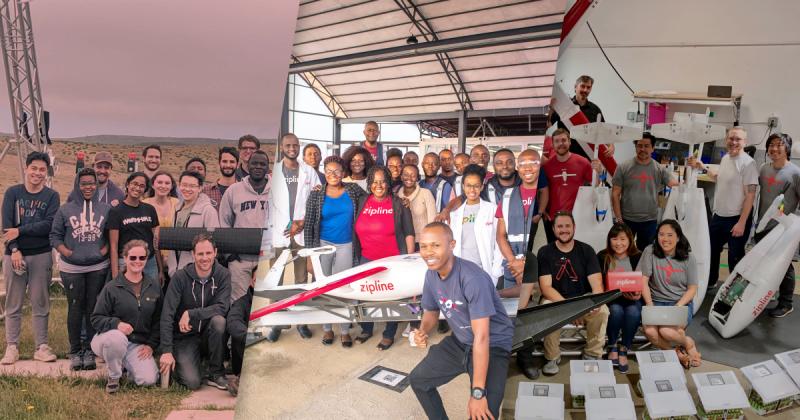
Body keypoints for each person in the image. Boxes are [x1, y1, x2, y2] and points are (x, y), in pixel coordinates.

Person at [409, 222, 514, 420]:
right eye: (423, 246)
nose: (428, 252)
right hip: (461, 341)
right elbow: (431, 311)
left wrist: (478, 393)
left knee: (483, 414)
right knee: (418, 380)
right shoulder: (431, 274)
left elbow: (482, 337)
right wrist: (423, 331)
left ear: (452, 245)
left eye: (436, 245)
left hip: (493, 344)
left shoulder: (472, 278)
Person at [1, 152, 60, 365]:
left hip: (41, 254)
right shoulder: (13, 193)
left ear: (47, 172)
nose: (37, 173)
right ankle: (12, 347)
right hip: (15, 255)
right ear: (26, 168)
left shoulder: (52, 196)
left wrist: (20, 230)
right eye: (34, 168)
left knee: (40, 301)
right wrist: (14, 248)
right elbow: (6, 226)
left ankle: (41, 346)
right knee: (13, 301)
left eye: (42, 169)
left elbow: (49, 224)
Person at [50, 168, 111, 371]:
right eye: (84, 183)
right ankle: (75, 350)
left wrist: (104, 250)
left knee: (93, 307)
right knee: (75, 307)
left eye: (91, 183)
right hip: (72, 268)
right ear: (77, 185)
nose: (88, 187)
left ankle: (90, 350)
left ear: (97, 185)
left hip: (97, 266)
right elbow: (55, 236)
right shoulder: (65, 209)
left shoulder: (105, 209)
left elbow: (111, 234)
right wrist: (67, 252)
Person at [301, 156, 366, 347]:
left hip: (347, 245)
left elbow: (372, 200)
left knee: (344, 288)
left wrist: (399, 201)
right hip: (323, 245)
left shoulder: (353, 190)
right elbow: (309, 225)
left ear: (343, 172)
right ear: (324, 172)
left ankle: (345, 330)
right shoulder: (316, 194)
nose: (333, 174)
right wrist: (310, 256)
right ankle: (327, 329)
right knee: (324, 289)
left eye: (337, 170)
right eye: (329, 171)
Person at [537, 211, 609, 375]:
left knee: (602, 310)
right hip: (556, 300)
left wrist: (591, 304)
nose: (564, 230)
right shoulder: (545, 252)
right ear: (553, 229)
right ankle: (552, 357)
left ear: (574, 227)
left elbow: (597, 284)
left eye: (567, 226)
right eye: (560, 226)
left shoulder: (587, 250)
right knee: (547, 308)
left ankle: (592, 353)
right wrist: (571, 309)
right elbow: (546, 288)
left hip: (583, 300)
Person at [688, 127, 758, 290]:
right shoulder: (726, 158)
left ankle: (736, 291)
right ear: (726, 140)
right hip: (719, 216)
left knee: (735, 256)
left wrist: (741, 223)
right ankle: (711, 281)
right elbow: (719, 177)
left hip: (737, 218)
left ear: (745, 142)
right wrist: (702, 167)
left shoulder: (748, 163)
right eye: (731, 138)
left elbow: (750, 195)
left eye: (738, 139)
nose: (733, 142)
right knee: (711, 250)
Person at [354, 166, 415, 349]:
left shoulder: (399, 204)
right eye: (374, 181)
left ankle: (389, 333)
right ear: (369, 183)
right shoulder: (362, 200)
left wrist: (408, 260)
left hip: (392, 261)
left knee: (391, 298)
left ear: (388, 183)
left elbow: (409, 232)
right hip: (366, 258)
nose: (378, 185)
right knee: (365, 296)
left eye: (382, 181)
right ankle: (366, 328)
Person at [267, 133, 321, 340]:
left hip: (301, 233)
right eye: (288, 145)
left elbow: (316, 200)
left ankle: (301, 322)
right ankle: (277, 323)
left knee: (301, 279)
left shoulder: (309, 172)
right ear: (282, 147)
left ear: (299, 147)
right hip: (279, 233)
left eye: (295, 145)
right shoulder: (274, 173)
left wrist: (302, 223)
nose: (292, 148)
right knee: (276, 280)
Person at [160, 233, 231, 390]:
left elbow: (222, 307)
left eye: (208, 253)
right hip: (185, 337)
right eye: (200, 254)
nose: (204, 258)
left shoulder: (223, 274)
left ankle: (216, 373)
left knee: (219, 321)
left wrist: (191, 313)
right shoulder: (180, 277)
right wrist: (166, 350)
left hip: (208, 334)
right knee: (192, 382)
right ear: (193, 255)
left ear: (215, 252)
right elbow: (167, 314)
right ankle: (191, 364)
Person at [91, 239, 161, 393]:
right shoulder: (112, 287)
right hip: (109, 339)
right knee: (116, 339)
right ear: (125, 258)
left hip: (136, 344)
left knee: (149, 380)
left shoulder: (154, 287)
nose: (137, 261)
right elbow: (96, 318)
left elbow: (158, 321)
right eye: (133, 257)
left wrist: (151, 345)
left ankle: (126, 366)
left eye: (142, 258)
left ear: (146, 259)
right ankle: (114, 376)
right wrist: (116, 324)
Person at [640, 219, 702, 368]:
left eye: (670, 235)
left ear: (678, 237)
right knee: (651, 332)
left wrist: (678, 306)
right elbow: (643, 281)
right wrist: (649, 304)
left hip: (679, 303)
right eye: (661, 234)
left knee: (667, 331)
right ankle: (676, 352)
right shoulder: (650, 251)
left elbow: (692, 288)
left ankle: (688, 343)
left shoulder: (688, 257)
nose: (665, 239)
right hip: (655, 302)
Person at [602, 133, 678, 251]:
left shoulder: (659, 169)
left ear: (653, 148)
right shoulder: (623, 167)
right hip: (627, 220)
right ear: (636, 147)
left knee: (646, 252)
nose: (643, 149)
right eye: (639, 145)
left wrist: (693, 168)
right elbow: (615, 194)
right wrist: (619, 219)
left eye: (646, 146)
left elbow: (676, 185)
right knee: (624, 252)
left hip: (649, 221)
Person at [755, 133, 799, 317]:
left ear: (787, 148)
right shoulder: (764, 169)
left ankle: (786, 303)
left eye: (778, 145)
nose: (774, 148)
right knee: (765, 264)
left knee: (784, 266)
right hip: (762, 226)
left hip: (782, 230)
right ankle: (768, 294)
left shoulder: (795, 173)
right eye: (771, 145)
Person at [219, 150, 271, 303]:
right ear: (247, 165)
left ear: (268, 167)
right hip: (240, 260)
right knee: (238, 303)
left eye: (262, 164)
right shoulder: (234, 190)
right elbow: (223, 222)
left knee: (265, 302)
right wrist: (230, 254)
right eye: (254, 163)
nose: (258, 167)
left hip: (267, 259)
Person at [496, 149, 544, 302]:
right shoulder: (508, 195)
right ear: (517, 167)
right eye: (523, 163)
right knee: (509, 309)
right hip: (512, 267)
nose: (528, 168)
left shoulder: (544, 197)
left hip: (535, 267)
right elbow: (500, 235)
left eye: (533, 163)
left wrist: (525, 265)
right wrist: (514, 262)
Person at [597, 223, 642, 374]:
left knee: (633, 313)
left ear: (630, 240)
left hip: (633, 298)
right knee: (616, 311)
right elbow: (598, 282)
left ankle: (624, 348)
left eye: (623, 239)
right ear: (609, 240)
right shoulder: (602, 256)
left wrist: (638, 293)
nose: (619, 243)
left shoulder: (637, 256)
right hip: (612, 299)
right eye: (614, 239)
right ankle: (612, 346)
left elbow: (644, 279)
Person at [449, 164, 503, 280]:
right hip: (460, 268)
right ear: (463, 186)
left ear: (482, 187)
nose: (472, 190)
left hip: (484, 268)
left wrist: (496, 268)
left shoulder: (492, 210)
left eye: (476, 186)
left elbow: (499, 241)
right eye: (468, 185)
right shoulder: (455, 213)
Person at [108, 172, 162, 283]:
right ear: (128, 184)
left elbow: (156, 242)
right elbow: (113, 245)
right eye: (134, 184)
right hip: (127, 262)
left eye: (142, 186)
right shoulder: (116, 211)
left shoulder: (150, 209)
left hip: (149, 262)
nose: (137, 188)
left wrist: (160, 269)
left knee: (151, 292)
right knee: (128, 293)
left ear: (145, 189)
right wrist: (115, 274)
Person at [541, 128, 593, 243]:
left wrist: (597, 172)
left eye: (564, 140)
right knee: (555, 249)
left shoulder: (583, 162)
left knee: (576, 249)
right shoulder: (547, 166)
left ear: (570, 142)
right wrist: (542, 209)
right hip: (554, 217)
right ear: (553, 145)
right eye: (557, 141)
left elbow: (594, 185)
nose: (561, 143)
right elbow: (543, 189)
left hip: (577, 217)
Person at [548, 75, 615, 160]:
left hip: (588, 158)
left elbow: (602, 131)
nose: (585, 90)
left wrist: (611, 145)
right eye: (582, 86)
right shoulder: (564, 106)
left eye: (588, 87)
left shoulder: (595, 109)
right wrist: (551, 109)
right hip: (567, 157)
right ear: (575, 87)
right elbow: (548, 125)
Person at [167, 171, 220, 277]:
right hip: (176, 272)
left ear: (200, 188)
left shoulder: (208, 210)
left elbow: (214, 241)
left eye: (192, 186)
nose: (187, 189)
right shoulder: (177, 208)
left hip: (196, 273)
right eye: (184, 185)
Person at [143, 171, 179, 272]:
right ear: (153, 184)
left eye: (167, 183)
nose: (163, 186)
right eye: (159, 182)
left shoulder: (178, 203)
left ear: (172, 186)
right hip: (151, 260)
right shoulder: (144, 204)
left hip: (174, 259)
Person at [396, 164, 437, 248]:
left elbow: (432, 222)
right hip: (402, 242)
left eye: (413, 175)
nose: (409, 178)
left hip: (422, 241)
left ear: (418, 178)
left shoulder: (426, 193)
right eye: (406, 175)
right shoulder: (396, 196)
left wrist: (428, 242)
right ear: (401, 177)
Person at [227, 278, 253, 397]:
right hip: (245, 355)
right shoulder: (241, 303)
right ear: (252, 282)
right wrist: (250, 335)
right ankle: (242, 379)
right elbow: (232, 321)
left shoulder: (276, 301)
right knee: (239, 333)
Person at [203, 147, 239, 211]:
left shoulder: (243, 190)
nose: (228, 165)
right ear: (219, 163)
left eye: (232, 162)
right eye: (224, 161)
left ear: (237, 164)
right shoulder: (206, 191)